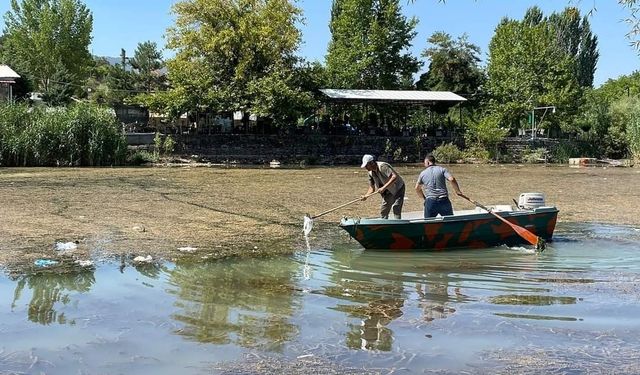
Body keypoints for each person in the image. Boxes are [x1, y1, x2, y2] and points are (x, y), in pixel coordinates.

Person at [360, 154, 405, 219]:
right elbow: (372, 188)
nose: (365, 167)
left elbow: (394, 176)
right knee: (384, 210)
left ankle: (397, 224)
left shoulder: (383, 166)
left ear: (372, 163)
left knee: (396, 207)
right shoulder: (370, 173)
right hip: (388, 190)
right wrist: (366, 196)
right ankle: (383, 224)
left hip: (398, 187)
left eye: (366, 165)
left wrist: (383, 188)